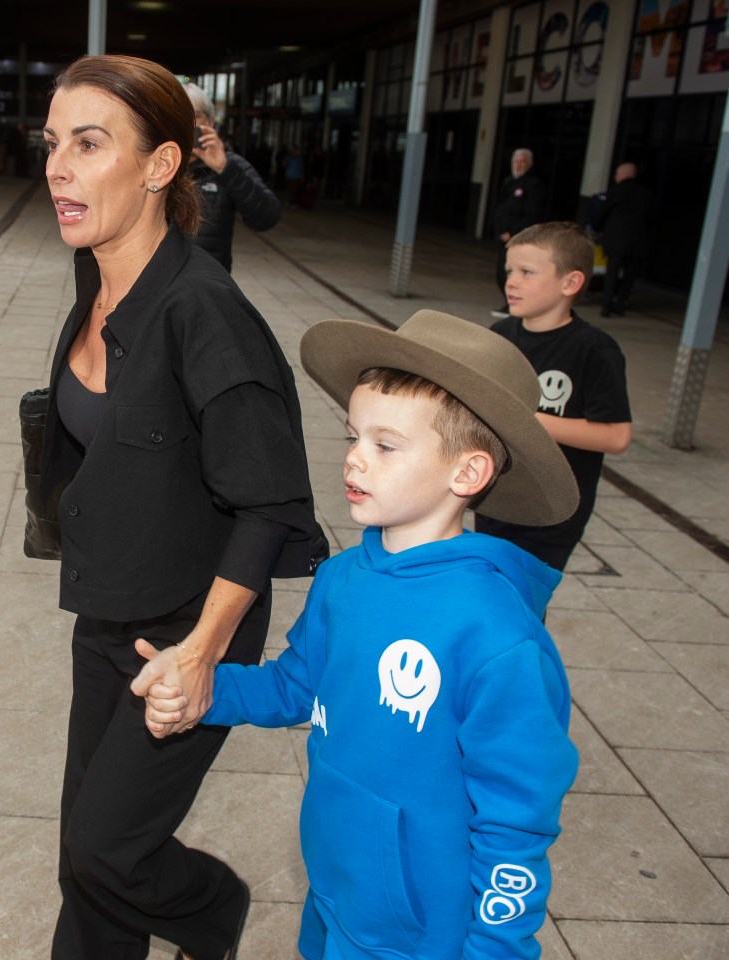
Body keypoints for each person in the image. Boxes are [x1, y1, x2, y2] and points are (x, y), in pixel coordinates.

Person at [134, 308, 581, 960]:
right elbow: (296, 684)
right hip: (337, 887)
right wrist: (208, 690)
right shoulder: (342, 579)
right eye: (353, 438)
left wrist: (496, 951)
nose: (355, 462)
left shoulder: (497, 636)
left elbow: (516, 823)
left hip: (421, 931)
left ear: (467, 474)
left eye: (386, 446)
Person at [39, 54, 323, 960]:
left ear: (161, 166)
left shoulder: (205, 311)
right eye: (52, 144)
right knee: (83, 852)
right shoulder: (98, 280)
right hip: (109, 605)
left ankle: (210, 911)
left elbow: (272, 502)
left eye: (89, 144)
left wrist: (201, 655)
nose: (58, 167)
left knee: (106, 845)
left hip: (189, 622)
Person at [476, 221, 632, 571]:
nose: (511, 282)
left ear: (570, 282)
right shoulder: (500, 334)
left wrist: (531, 422)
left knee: (521, 602)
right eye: (509, 271)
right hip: (495, 498)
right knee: (488, 592)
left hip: (552, 511)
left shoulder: (594, 350)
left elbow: (617, 436)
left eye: (526, 272)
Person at [182, 82, 280, 272]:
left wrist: (224, 168)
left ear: (210, 123)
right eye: (177, 115)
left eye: (194, 115)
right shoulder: (157, 161)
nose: (185, 123)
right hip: (158, 282)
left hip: (207, 283)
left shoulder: (229, 164)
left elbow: (267, 217)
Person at [594, 161, 654, 317]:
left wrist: (598, 228)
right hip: (637, 242)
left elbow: (603, 212)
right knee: (630, 275)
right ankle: (620, 303)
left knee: (611, 273)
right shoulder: (645, 194)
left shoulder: (616, 191)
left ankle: (606, 304)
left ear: (624, 174)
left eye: (617, 173)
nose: (615, 176)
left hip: (616, 241)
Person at [491, 147, 546, 317]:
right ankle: (511, 305)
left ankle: (515, 307)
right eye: (516, 161)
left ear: (529, 165)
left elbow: (532, 214)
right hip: (503, 237)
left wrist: (514, 232)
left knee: (509, 272)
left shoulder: (533, 185)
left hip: (519, 239)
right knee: (501, 272)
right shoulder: (509, 182)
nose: (519, 165)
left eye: (523, 162)